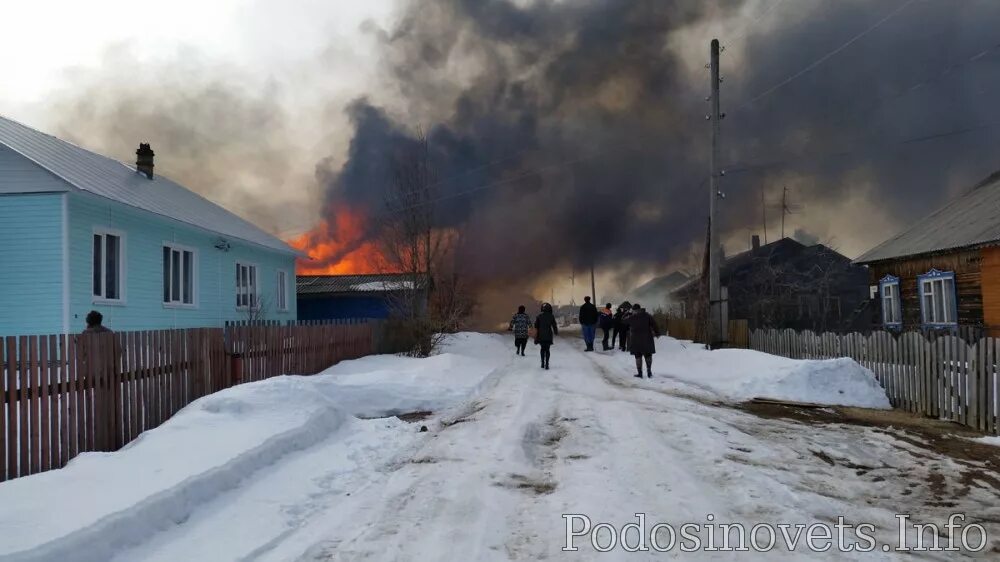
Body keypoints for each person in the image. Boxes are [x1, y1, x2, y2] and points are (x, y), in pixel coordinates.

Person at [626, 303, 660, 378]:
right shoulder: (647, 316)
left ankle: (640, 373)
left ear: (634, 310)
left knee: (638, 356)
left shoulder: (632, 317)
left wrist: (627, 313)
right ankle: (649, 371)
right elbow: (654, 324)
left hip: (636, 340)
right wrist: (657, 333)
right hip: (647, 338)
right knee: (648, 355)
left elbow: (623, 321)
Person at [534, 302, 559, 370]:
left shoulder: (539, 316)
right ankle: (547, 364)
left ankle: (542, 363)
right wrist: (556, 332)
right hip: (548, 335)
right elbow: (554, 325)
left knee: (542, 349)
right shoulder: (551, 316)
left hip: (541, 336)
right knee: (547, 350)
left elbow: (536, 326)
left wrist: (535, 337)